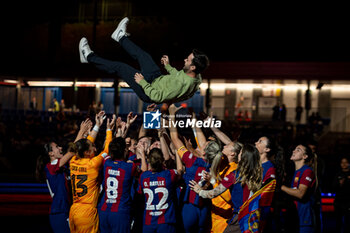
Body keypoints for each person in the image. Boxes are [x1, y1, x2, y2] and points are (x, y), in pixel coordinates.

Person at [79, 17, 209, 104]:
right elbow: (179, 79)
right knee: (144, 56)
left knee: (121, 67)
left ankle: (88, 56)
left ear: (193, 67)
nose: (185, 59)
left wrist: (143, 83)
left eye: (188, 60)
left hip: (148, 89)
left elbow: (158, 97)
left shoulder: (181, 85)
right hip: (157, 79)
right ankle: (120, 37)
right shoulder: (196, 76)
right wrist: (168, 67)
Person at [168, 104, 223, 233]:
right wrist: (193, 117)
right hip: (205, 209)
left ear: (204, 152)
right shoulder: (216, 164)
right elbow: (201, 139)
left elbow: (174, 138)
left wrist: (171, 114)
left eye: (204, 145)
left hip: (189, 207)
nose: (202, 144)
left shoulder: (190, 159)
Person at [189, 144, 263, 233]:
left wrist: (199, 190)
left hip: (240, 218)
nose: (238, 154)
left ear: (243, 157)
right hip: (254, 217)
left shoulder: (235, 175)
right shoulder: (257, 175)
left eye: (241, 152)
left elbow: (212, 194)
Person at [35, 119, 92, 233]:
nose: (60, 148)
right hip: (59, 213)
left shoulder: (64, 167)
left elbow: (77, 153)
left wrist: (86, 135)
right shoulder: (50, 167)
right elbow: (71, 152)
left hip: (68, 210)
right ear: (50, 153)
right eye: (57, 147)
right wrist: (80, 132)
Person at [68, 112, 114, 233]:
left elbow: (84, 144)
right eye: (92, 147)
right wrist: (109, 129)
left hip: (74, 210)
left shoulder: (73, 161)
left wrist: (97, 126)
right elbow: (107, 149)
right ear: (87, 152)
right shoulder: (93, 164)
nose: (95, 148)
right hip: (87, 212)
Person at [98, 137, 146, 233]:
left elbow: (107, 150)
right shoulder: (129, 166)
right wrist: (143, 156)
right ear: (124, 151)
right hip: (120, 212)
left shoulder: (106, 162)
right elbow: (143, 172)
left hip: (103, 210)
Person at [138, 147, 183, 233]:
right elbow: (180, 170)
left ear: (149, 161)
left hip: (148, 222)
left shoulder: (143, 176)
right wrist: (177, 152)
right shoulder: (169, 174)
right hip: (166, 221)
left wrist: (143, 156)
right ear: (162, 161)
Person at [281, 144, 317, 233]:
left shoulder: (307, 171)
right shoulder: (296, 172)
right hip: (295, 217)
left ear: (305, 156)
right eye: (294, 149)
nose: (294, 151)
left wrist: (280, 186)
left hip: (304, 217)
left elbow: (300, 193)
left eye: (298, 150)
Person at [333, 156, 350, 233]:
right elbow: (333, 187)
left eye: (345, 162)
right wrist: (339, 184)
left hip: (348, 201)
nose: (344, 164)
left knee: (348, 221)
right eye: (342, 162)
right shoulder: (338, 174)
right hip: (339, 201)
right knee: (338, 222)